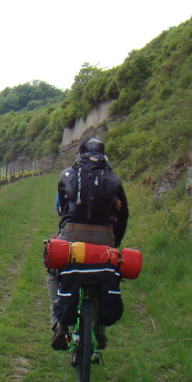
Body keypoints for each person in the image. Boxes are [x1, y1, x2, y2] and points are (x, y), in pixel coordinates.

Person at [48, 137, 128, 350]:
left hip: (72, 234)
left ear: (80, 154)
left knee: (54, 270)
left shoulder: (66, 175)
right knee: (104, 273)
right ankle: (100, 331)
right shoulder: (114, 179)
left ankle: (59, 325)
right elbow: (123, 216)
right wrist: (114, 242)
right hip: (104, 238)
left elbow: (63, 210)